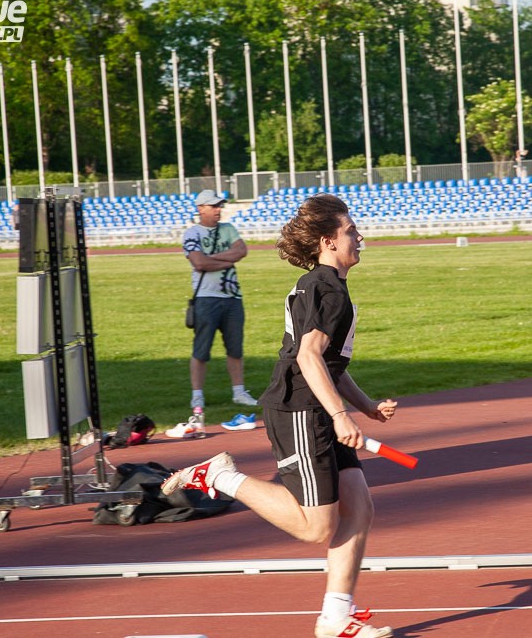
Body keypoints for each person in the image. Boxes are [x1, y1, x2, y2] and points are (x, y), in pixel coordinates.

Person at [163, 194, 398, 638]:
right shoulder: (327, 288)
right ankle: (220, 476)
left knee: (358, 508)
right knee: (316, 528)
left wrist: (364, 405)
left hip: (315, 405)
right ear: (329, 240)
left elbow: (327, 362)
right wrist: (340, 414)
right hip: (299, 410)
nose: (359, 236)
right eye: (351, 230)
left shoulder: (322, 283)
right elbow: (308, 357)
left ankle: (335, 616)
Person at [182, 189, 258, 410]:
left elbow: (241, 251)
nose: (218, 210)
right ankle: (197, 396)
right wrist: (226, 260)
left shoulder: (228, 228)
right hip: (206, 298)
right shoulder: (192, 233)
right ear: (200, 208)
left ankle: (239, 392)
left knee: (235, 348)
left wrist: (211, 259)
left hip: (233, 297)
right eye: (213, 206)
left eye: (219, 206)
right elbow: (199, 263)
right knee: (201, 350)